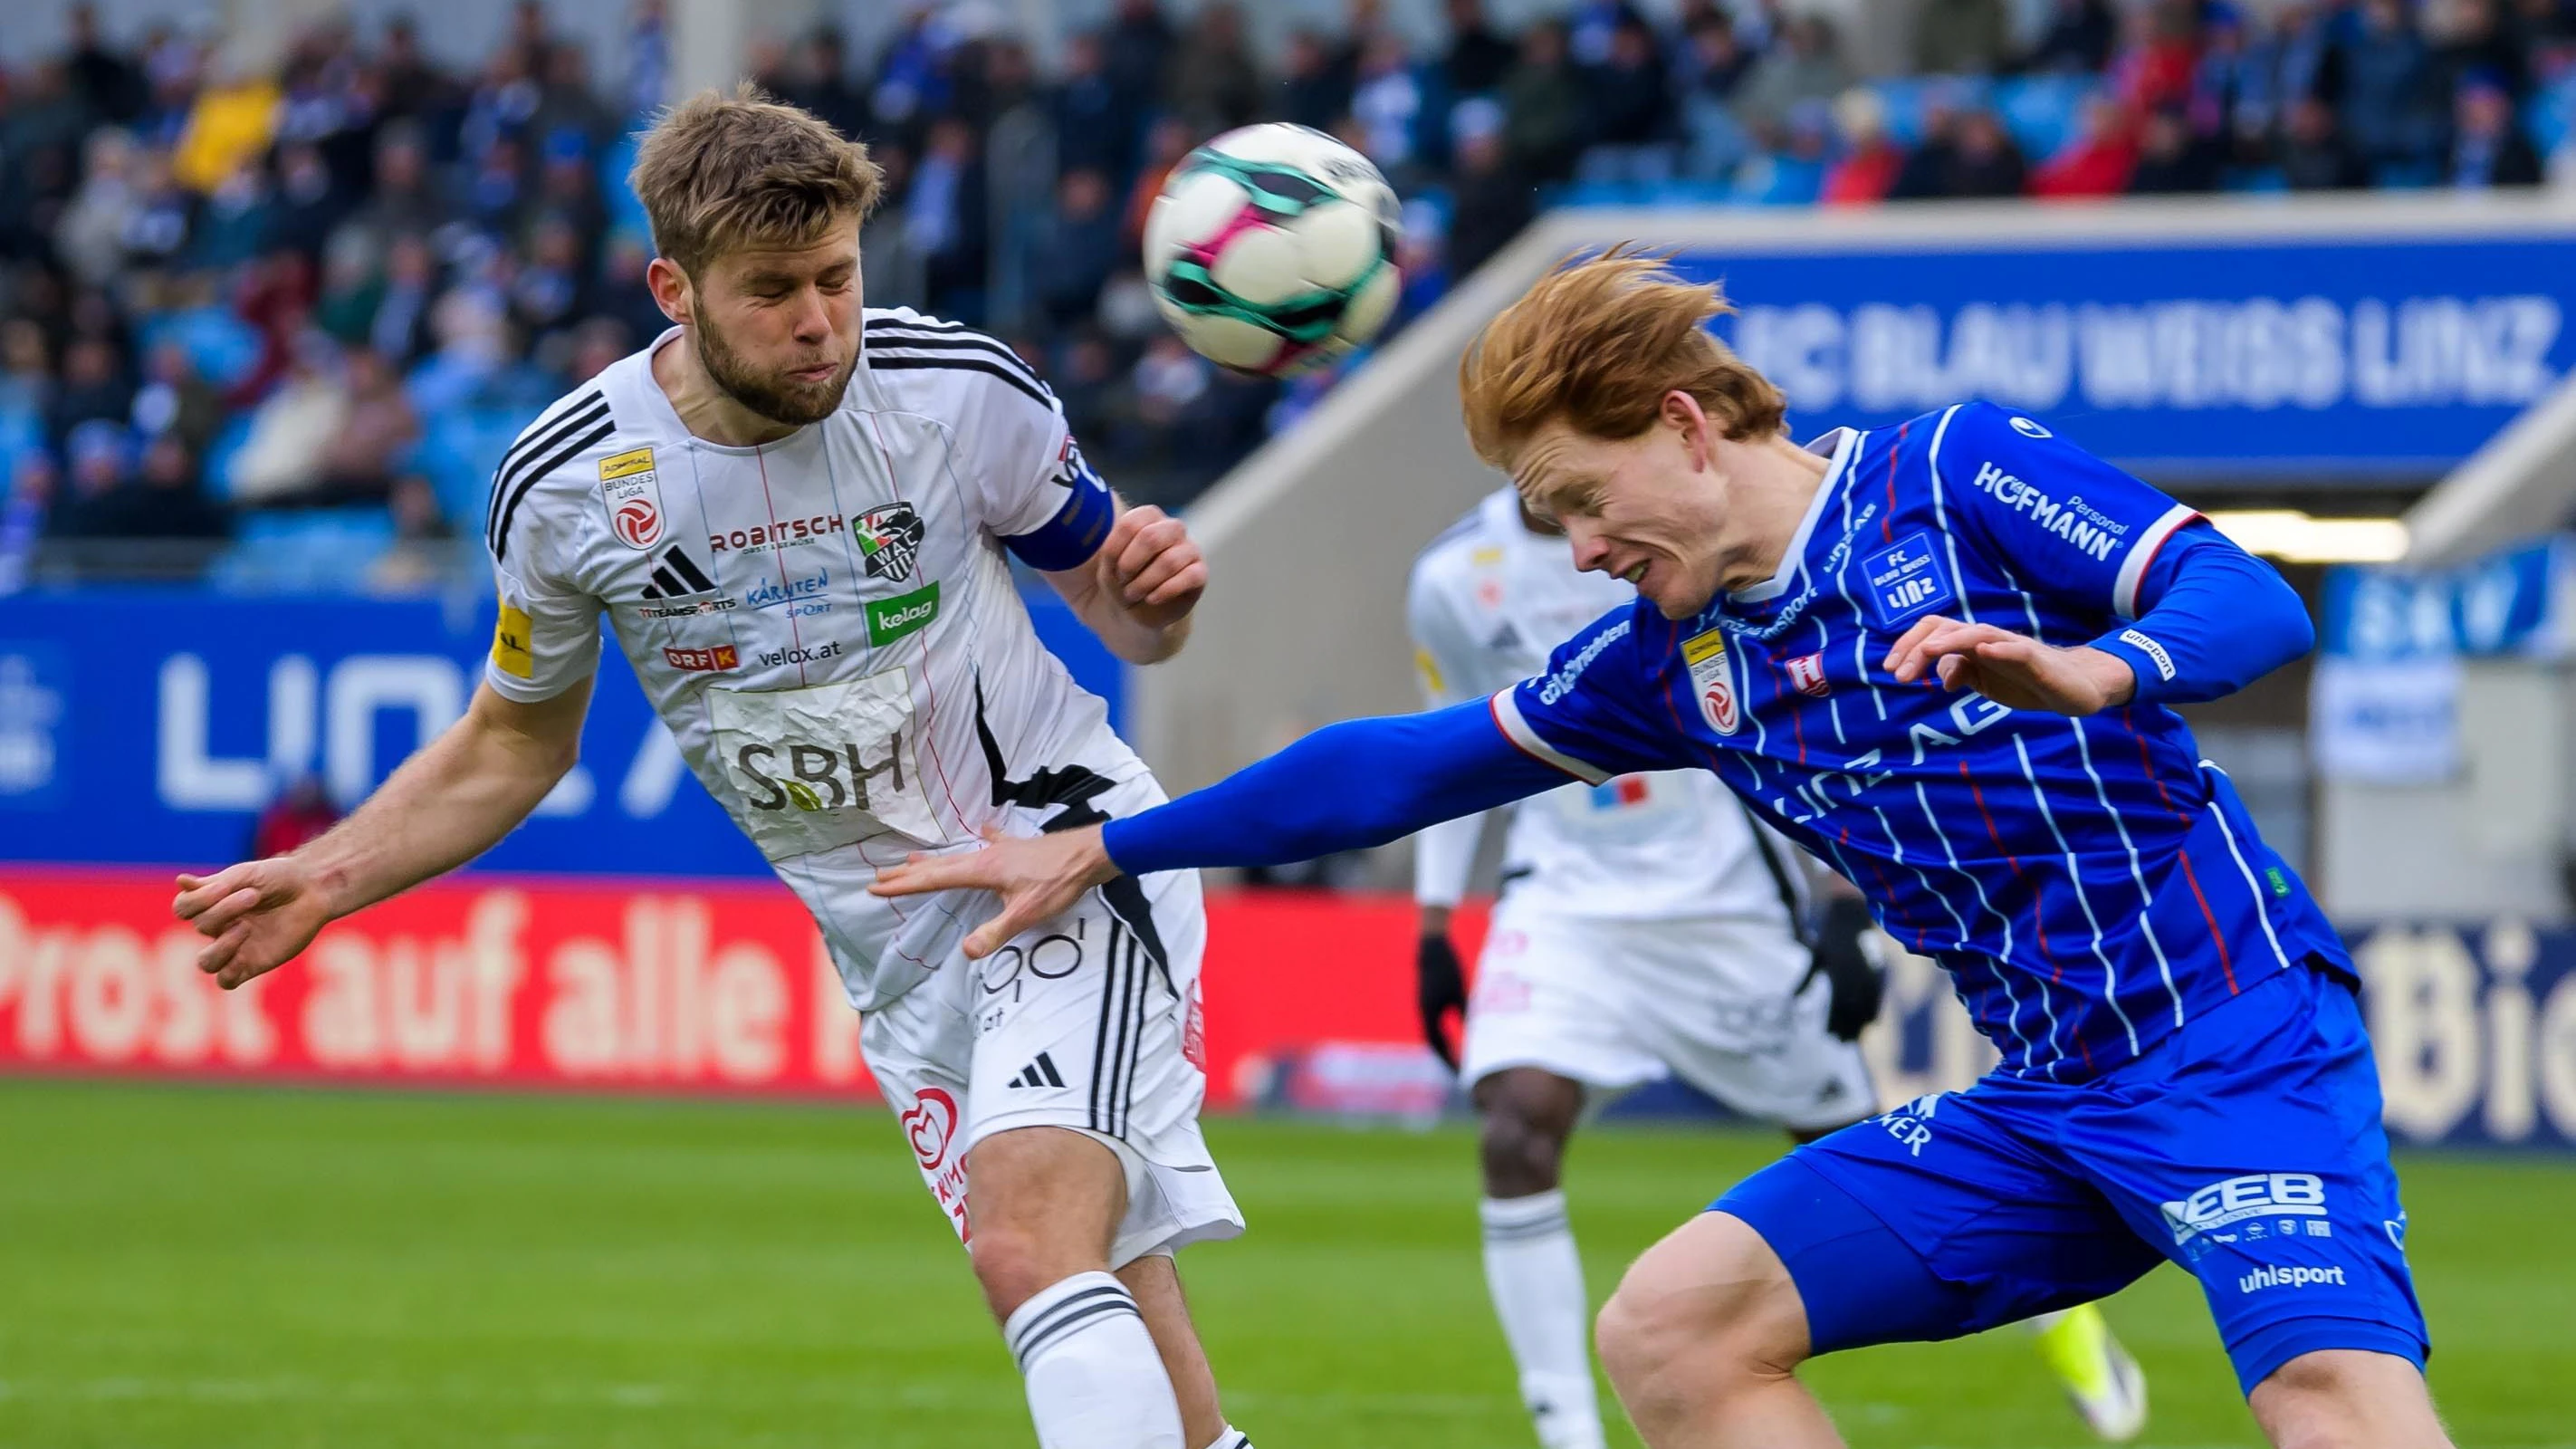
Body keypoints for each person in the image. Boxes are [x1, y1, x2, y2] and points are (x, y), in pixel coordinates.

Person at [874, 252, 2445, 1449]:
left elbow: (2249, 601)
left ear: (1684, 426)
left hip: (2231, 1044)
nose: (1578, 550)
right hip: (2043, 1103)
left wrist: (2103, 666)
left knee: (2330, 1394)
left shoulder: (1953, 476)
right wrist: (1111, 845)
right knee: (1676, 1331)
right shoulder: (1669, 662)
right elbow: (1397, 771)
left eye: (1580, 499)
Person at [172, 90, 1256, 1449]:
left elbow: (1121, 610)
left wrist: (1154, 594)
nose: (820, 321)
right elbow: (516, 738)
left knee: (1028, 1249)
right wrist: (327, 875)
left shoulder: (953, 390)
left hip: (1061, 852)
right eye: (773, 291)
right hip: (898, 953)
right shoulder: (569, 486)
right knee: (1116, 1308)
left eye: (839, 278)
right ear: (672, 289)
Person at [1408, 485, 2149, 1448]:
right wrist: (1433, 925)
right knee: (1514, 1125)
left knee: (1870, 1147)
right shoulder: (1453, 580)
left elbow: (1795, 723)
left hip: (1729, 909)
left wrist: (1845, 913)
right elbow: (1454, 748)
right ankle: (1567, 1433)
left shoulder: (1681, 537)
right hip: (1565, 904)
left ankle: (2064, 1321)